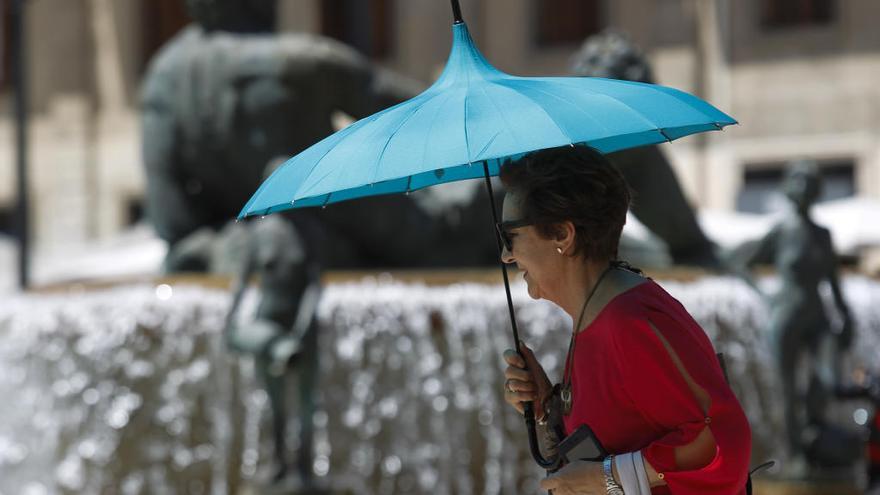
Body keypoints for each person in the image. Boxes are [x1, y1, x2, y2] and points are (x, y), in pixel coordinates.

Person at [499, 145, 751, 494]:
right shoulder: (597, 313)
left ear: (562, 234)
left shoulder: (629, 322)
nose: (505, 255)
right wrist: (546, 409)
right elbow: (619, 437)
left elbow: (723, 445)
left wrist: (605, 477)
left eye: (509, 236)